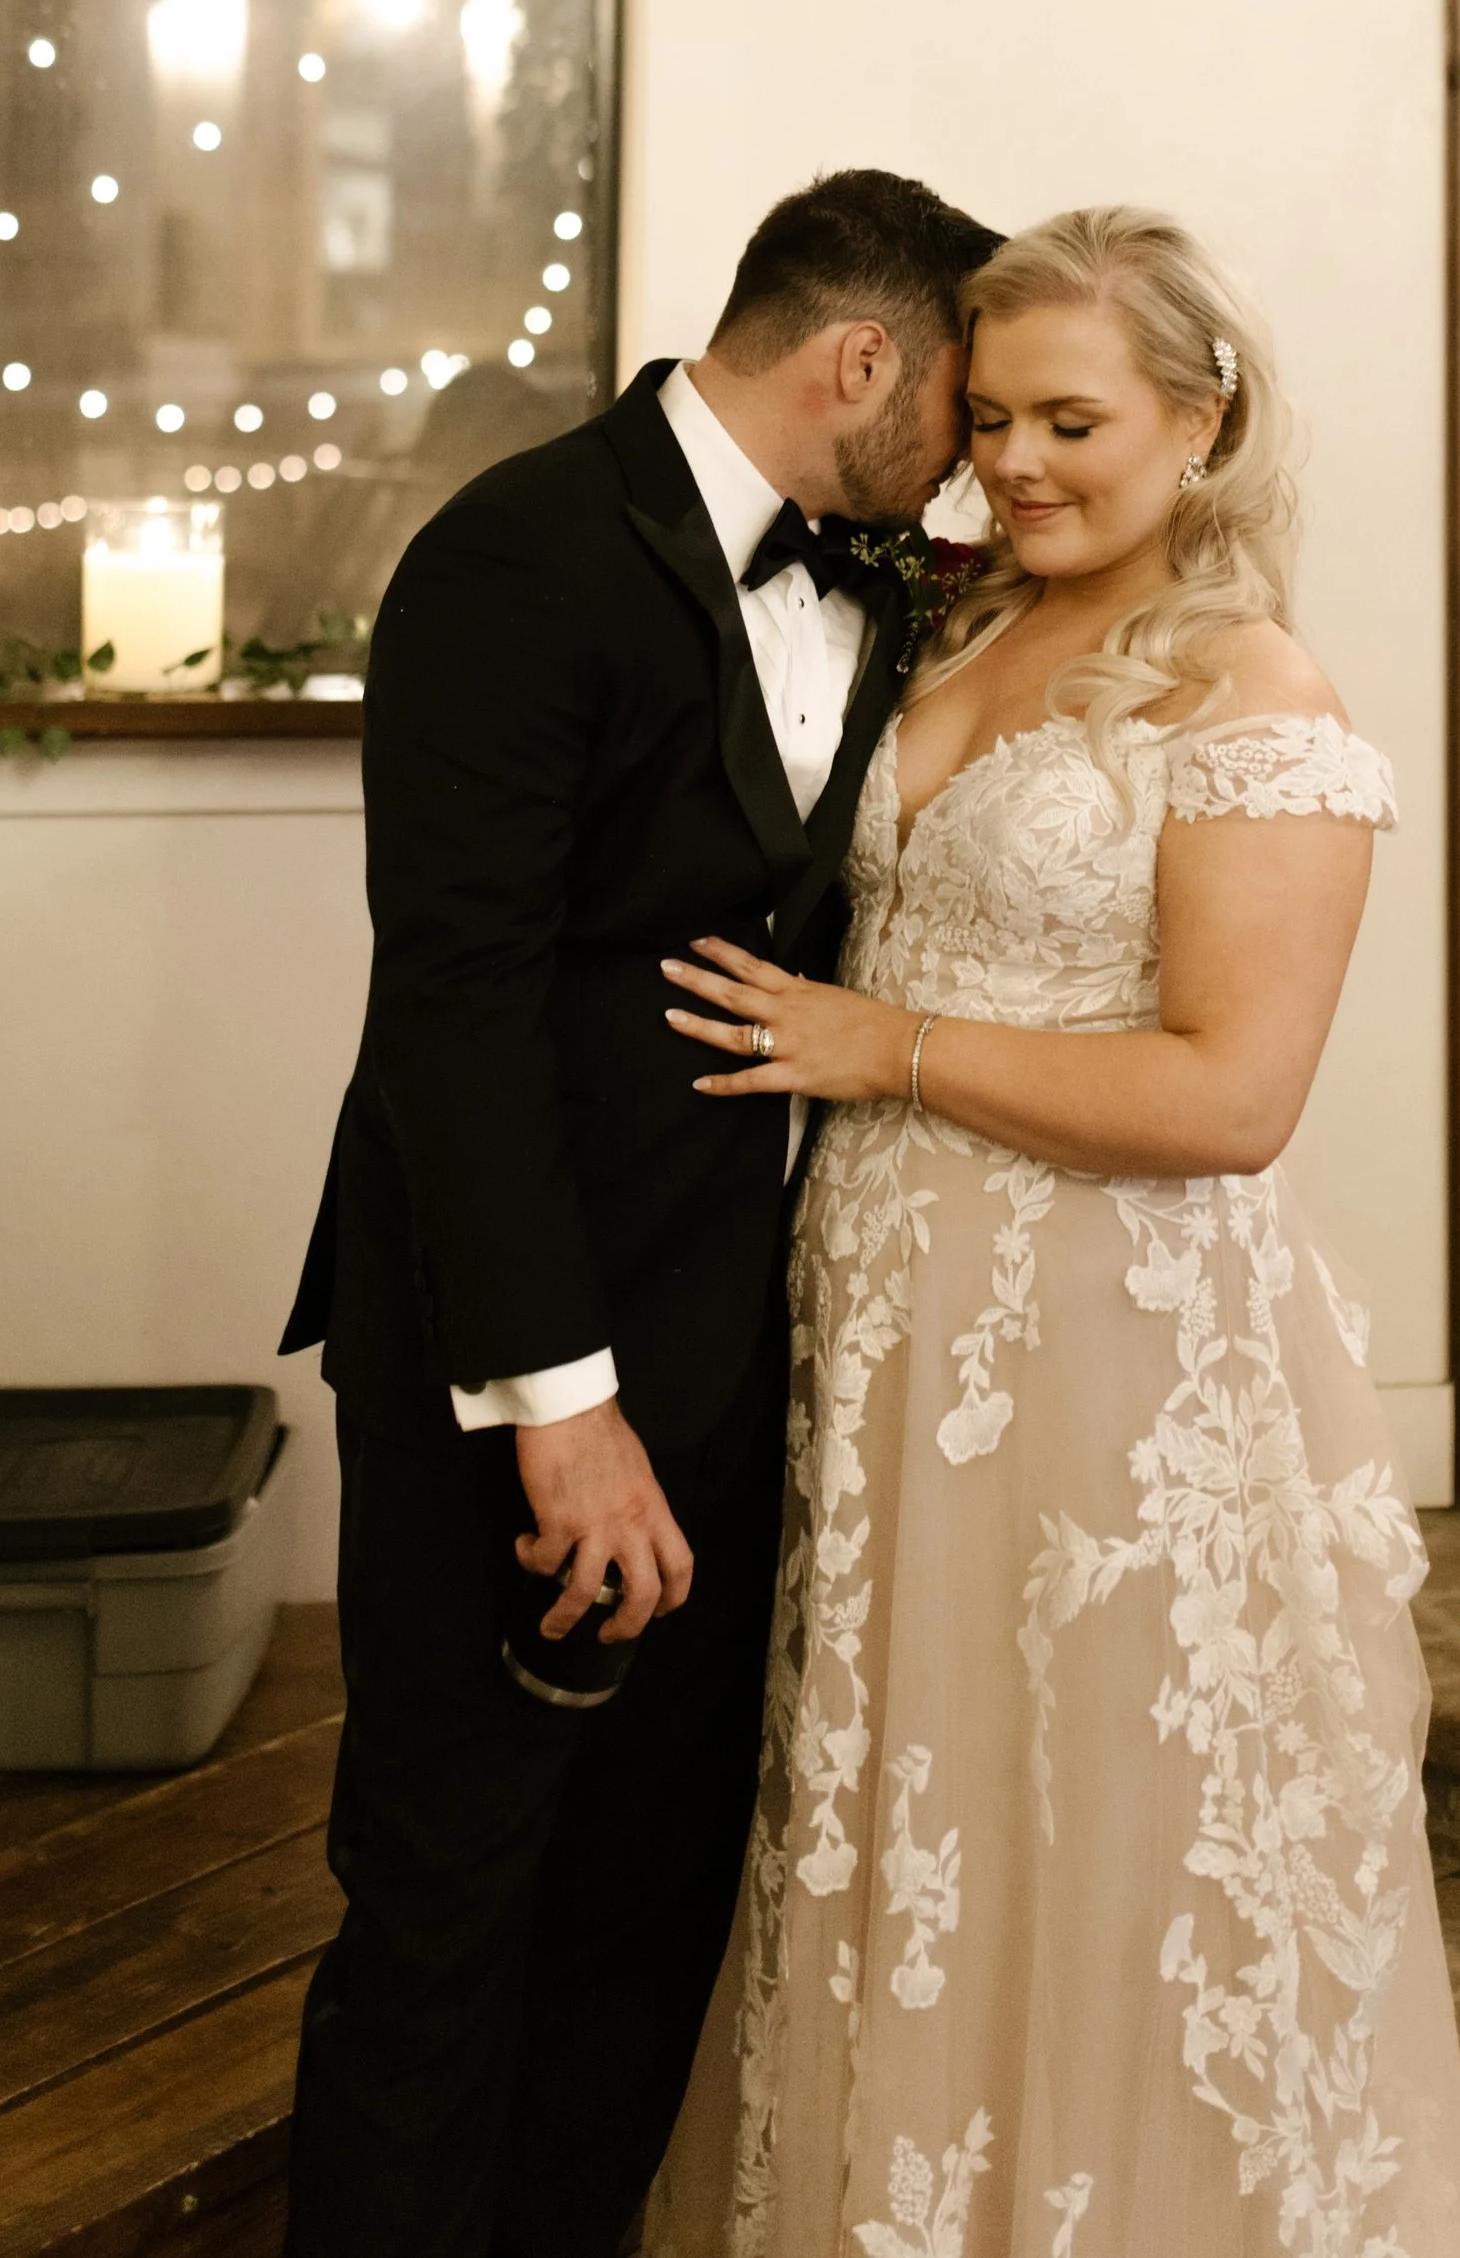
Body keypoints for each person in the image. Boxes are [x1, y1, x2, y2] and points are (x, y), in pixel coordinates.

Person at [647, 209, 1460, 2258]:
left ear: (1196, 425)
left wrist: (889, 1047)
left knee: (1110, 1836)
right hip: (884, 1341)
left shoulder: (1246, 685)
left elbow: (1230, 1096)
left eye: (1073, 421)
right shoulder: (942, 623)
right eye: (995, 420)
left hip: (1108, 1369)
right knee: (906, 1818)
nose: (1016, 464)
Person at [279, 168, 1001, 2258]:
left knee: (647, 1909)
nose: (957, 463)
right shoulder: (515, 558)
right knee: (445, 1897)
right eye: (954, 408)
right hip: (504, 1359)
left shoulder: (873, 578)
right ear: (860, 361)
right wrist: (557, 1406)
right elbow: (456, 1010)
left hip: (739, 1347)